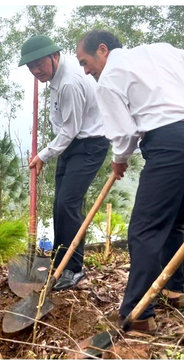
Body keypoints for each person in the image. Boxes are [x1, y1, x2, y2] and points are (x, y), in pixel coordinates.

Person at [76, 30, 184, 333]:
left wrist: (119, 159)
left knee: (144, 229)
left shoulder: (109, 78)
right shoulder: (163, 49)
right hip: (175, 137)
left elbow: (123, 134)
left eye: (85, 62)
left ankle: (138, 313)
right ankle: (176, 289)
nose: (86, 70)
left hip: (169, 144)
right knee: (175, 220)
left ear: (103, 50)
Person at [18, 35, 110, 291]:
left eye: (39, 64)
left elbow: (70, 129)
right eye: (31, 67)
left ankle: (74, 269)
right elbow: (64, 127)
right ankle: (60, 263)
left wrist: (42, 156)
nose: (36, 71)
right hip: (71, 144)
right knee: (60, 204)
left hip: (90, 144)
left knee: (68, 203)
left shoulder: (69, 81)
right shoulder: (56, 77)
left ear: (54, 56)